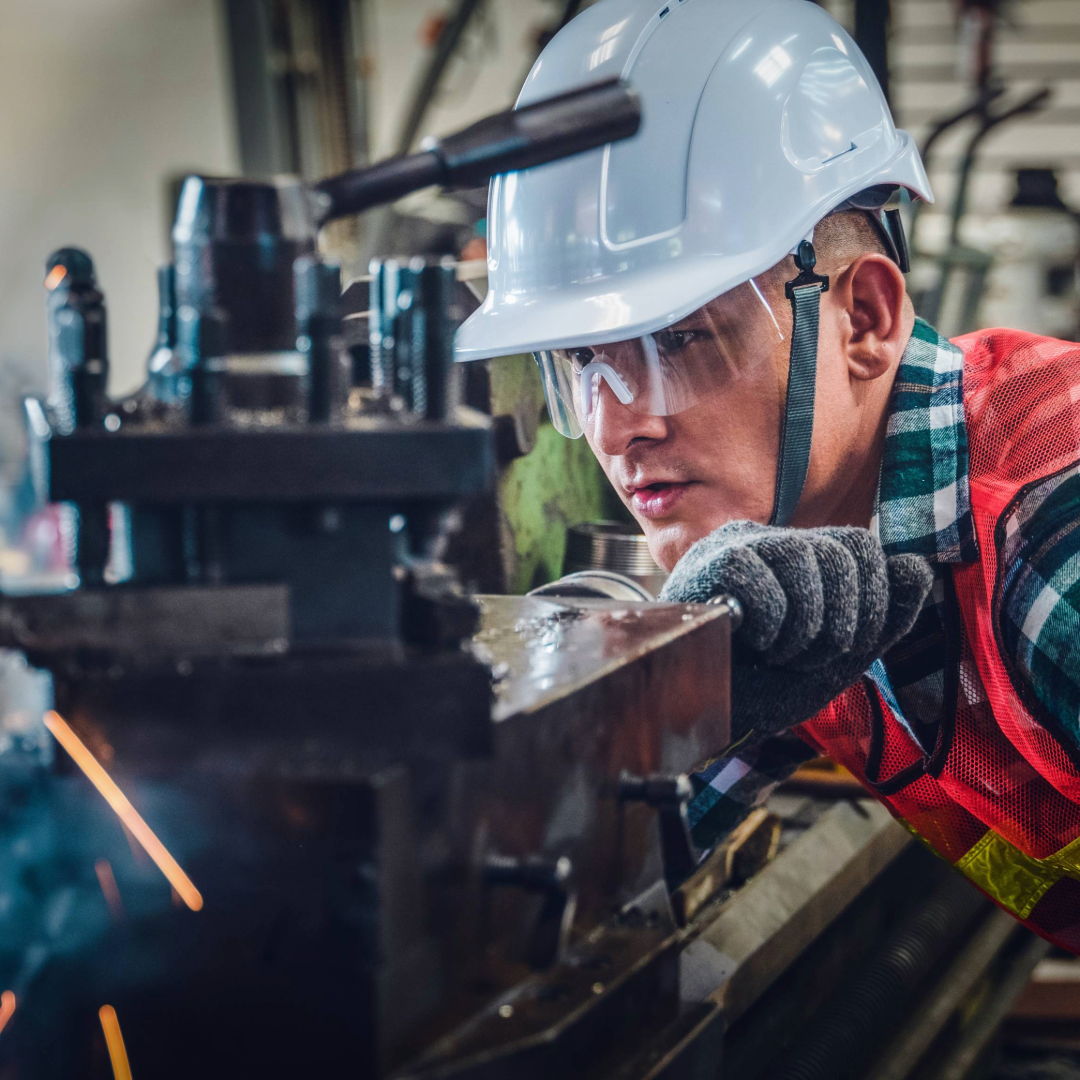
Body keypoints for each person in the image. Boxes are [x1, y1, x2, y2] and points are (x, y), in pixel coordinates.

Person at [455, 0, 1080, 953]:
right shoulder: (816, 564)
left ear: (863, 319)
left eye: (681, 342)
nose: (622, 423)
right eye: (584, 363)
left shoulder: (1048, 534)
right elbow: (577, 879)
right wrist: (692, 704)